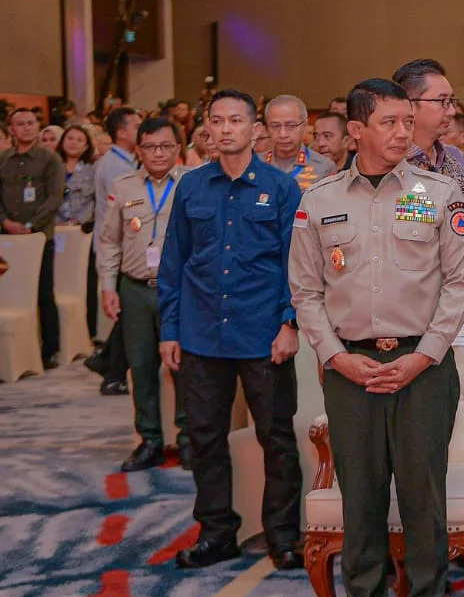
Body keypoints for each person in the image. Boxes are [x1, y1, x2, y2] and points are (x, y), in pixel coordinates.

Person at [289, 78, 464, 597]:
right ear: (356, 131)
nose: (402, 132)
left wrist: (425, 355)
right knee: (362, 505)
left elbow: (459, 284)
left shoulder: (439, 193)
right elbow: (306, 291)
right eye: (389, 122)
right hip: (351, 373)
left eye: (406, 121)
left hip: (423, 371)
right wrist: (335, 356)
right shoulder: (318, 201)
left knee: (424, 505)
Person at [158, 90, 304, 572]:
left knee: (276, 438)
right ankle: (217, 532)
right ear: (206, 129)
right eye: (217, 121)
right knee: (204, 438)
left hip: (264, 334)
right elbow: (175, 261)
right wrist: (170, 328)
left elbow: (297, 263)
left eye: (235, 120)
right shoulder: (192, 186)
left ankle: (283, 536)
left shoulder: (282, 188)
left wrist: (289, 322)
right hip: (202, 333)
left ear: (255, 129)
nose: (225, 129)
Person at [100, 117, 189, 472]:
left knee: (184, 366)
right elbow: (109, 241)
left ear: (178, 149)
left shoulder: (191, 184)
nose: (158, 154)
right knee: (141, 366)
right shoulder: (124, 187)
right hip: (135, 287)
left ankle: (188, 440)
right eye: (150, 147)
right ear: (138, 150)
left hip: (179, 290)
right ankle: (149, 440)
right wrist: (108, 286)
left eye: (166, 146)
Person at [392, 59, 464, 315]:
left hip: (462, 307)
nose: (451, 110)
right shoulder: (392, 164)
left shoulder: (457, 160)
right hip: (410, 312)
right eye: (443, 101)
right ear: (410, 105)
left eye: (452, 101)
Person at [1, 108, 65, 367]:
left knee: (43, 292)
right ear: (12, 129)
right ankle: (15, 349)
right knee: (9, 293)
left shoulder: (50, 159)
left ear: (38, 127)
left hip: (39, 236)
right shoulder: (3, 159)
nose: (26, 127)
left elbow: (55, 197)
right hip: (7, 237)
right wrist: (5, 222)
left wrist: (30, 225)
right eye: (20, 124)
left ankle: (49, 350)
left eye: (31, 123)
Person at [88, 107, 142, 393]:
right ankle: (112, 371)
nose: (141, 131)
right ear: (121, 132)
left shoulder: (125, 161)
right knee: (129, 314)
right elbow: (122, 215)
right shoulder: (115, 167)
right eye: (136, 126)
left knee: (129, 313)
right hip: (120, 247)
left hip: (124, 247)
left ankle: (107, 361)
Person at [262, 95, 338, 191]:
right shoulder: (254, 164)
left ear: (305, 125)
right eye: (275, 126)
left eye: (291, 126)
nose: (283, 134)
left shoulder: (324, 167)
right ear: (267, 128)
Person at [57, 123, 98, 227]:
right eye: (70, 138)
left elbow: (92, 201)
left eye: (79, 140)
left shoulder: (91, 170)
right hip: (54, 226)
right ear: (62, 142)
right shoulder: (52, 168)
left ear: (86, 147)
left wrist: (77, 220)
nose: (73, 142)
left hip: (80, 227)